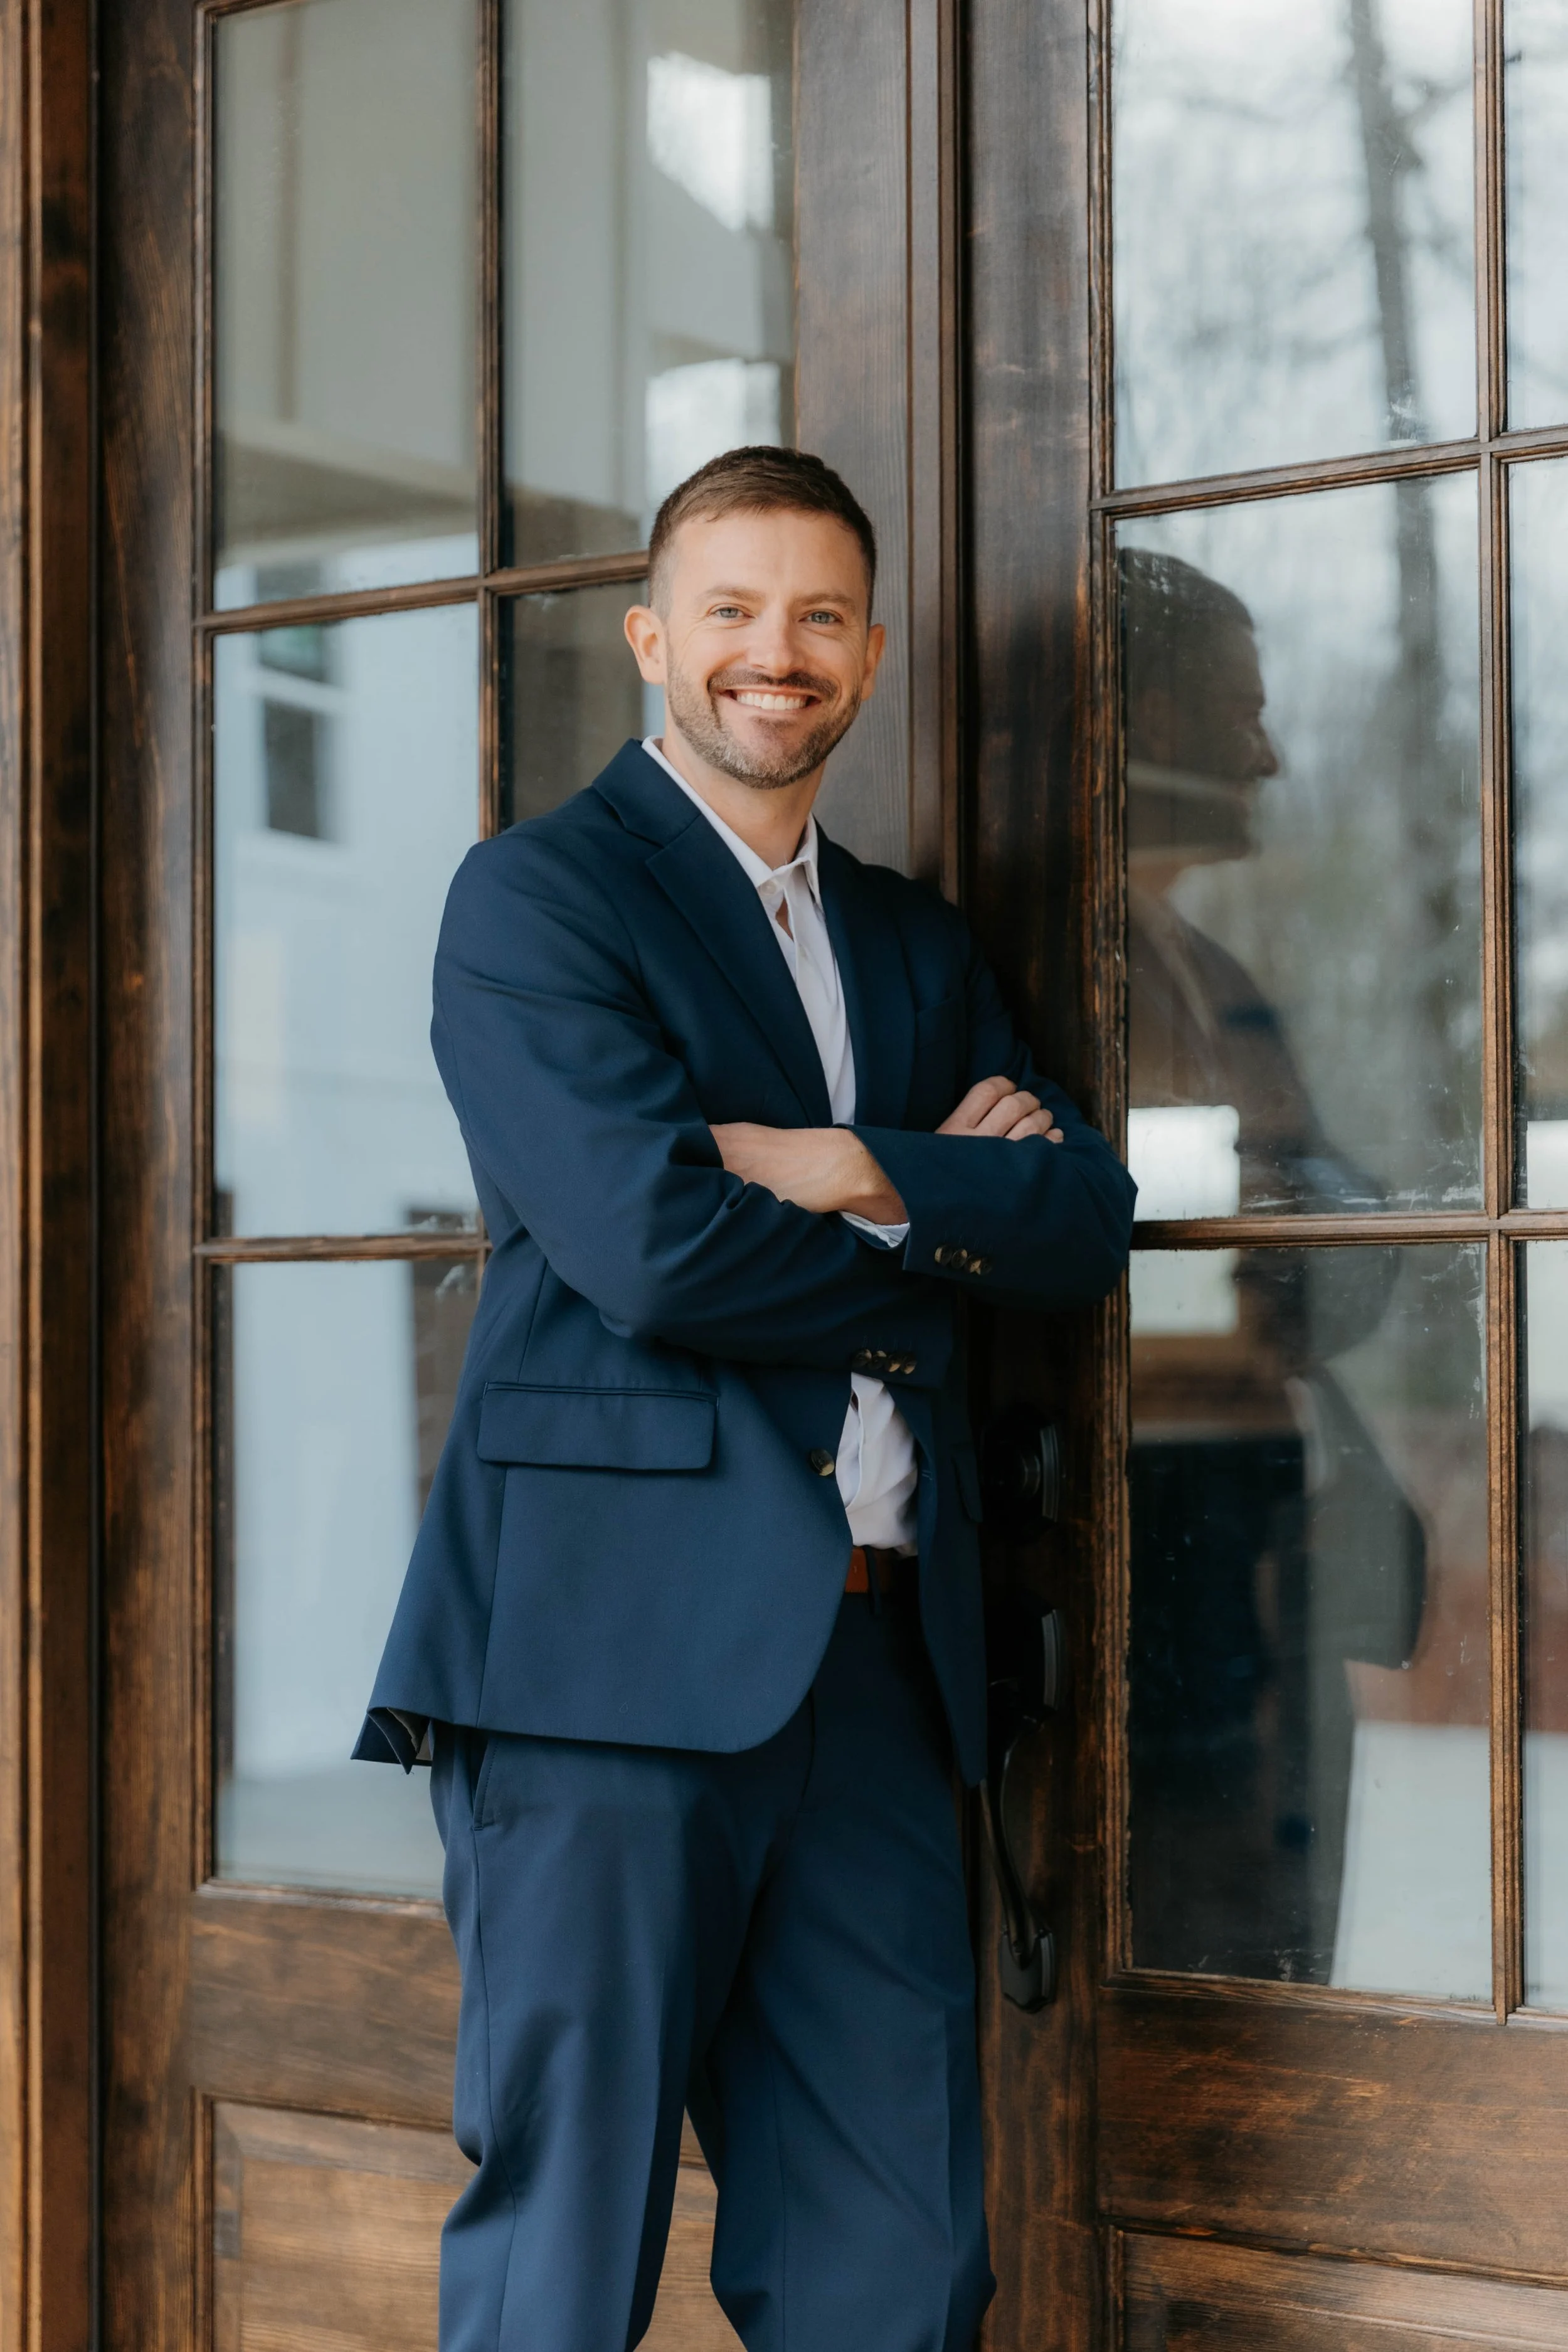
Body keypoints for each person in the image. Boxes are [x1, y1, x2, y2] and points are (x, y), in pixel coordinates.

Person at [354, 444, 1135, 2352]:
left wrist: (843, 1163)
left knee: (896, 2262)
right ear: (651, 639)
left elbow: (1081, 1216)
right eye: (729, 610)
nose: (771, 653)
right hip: (599, 1666)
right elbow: (651, 1243)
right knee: (563, 2251)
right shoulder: (535, 899)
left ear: (866, 658)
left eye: (815, 617)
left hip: (876, 1678)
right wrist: (928, 1214)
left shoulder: (917, 942)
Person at [1121, 547, 1425, 1981]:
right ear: (1134, 721)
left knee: (1278, 1958)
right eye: (1231, 712)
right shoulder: (1048, 970)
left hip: (1265, 1553)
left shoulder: (1210, 974)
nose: (1269, 753)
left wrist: (1294, 1224)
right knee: (1193, 1969)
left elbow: (1340, 1248)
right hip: (1152, 1560)